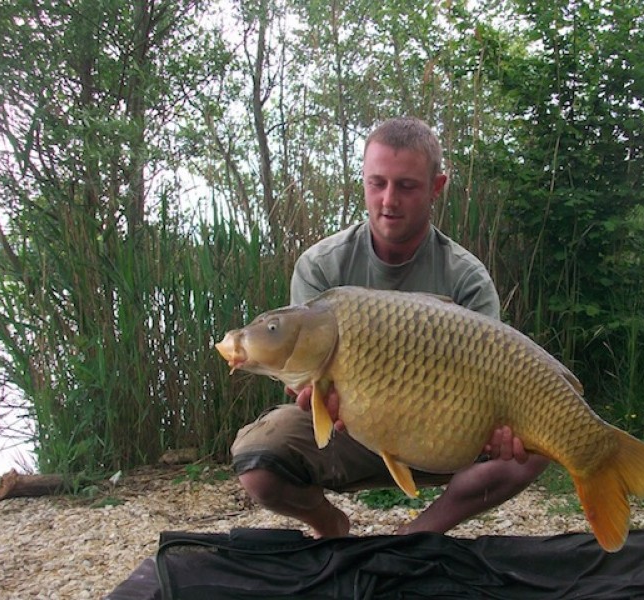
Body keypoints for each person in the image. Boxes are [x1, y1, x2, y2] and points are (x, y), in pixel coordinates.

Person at [231, 116, 549, 538]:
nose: (388, 200)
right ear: (363, 181)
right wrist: (314, 394)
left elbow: (499, 380)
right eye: (376, 183)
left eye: (407, 186)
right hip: (350, 430)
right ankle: (330, 524)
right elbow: (306, 384)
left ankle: (418, 534)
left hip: (446, 434)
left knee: (542, 442)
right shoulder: (321, 265)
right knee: (258, 459)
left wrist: (502, 430)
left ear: (436, 187)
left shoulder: (466, 277)